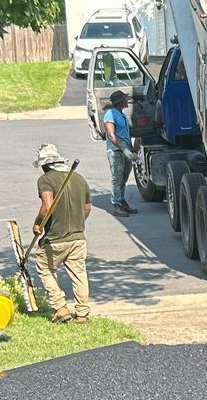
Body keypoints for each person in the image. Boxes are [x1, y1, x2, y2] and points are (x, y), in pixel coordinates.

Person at [31, 143, 92, 322]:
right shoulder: (79, 179)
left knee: (44, 267)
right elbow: (87, 208)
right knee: (79, 274)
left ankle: (60, 307)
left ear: (45, 165)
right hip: (78, 237)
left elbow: (47, 207)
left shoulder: (46, 180)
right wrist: (77, 221)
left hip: (55, 238)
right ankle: (82, 314)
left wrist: (38, 224)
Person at [102, 88, 134, 215]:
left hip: (125, 151)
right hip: (116, 151)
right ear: (120, 102)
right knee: (117, 178)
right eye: (125, 99)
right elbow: (111, 135)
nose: (127, 100)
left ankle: (121, 200)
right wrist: (123, 149)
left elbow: (125, 134)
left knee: (123, 178)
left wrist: (131, 149)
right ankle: (116, 204)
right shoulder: (110, 114)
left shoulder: (122, 115)